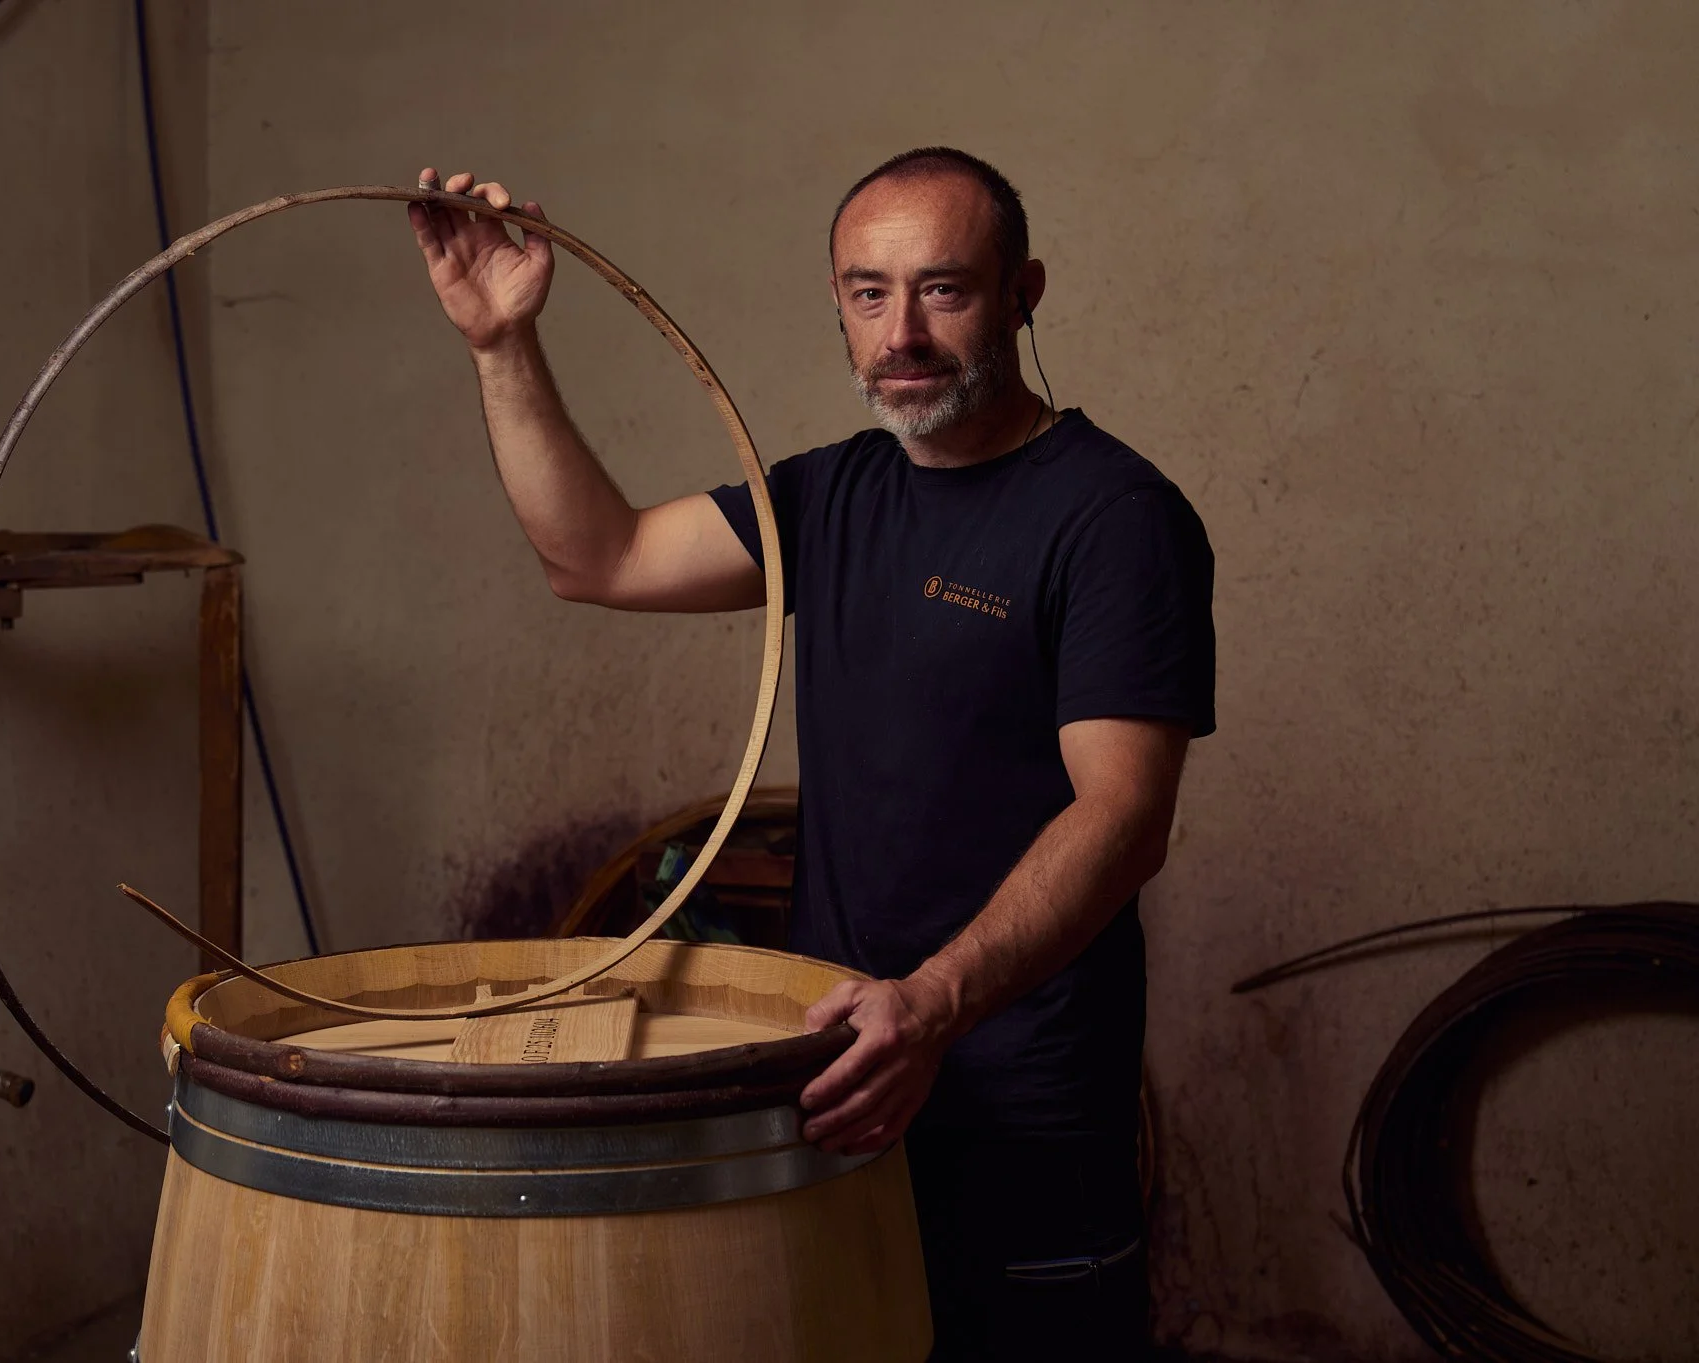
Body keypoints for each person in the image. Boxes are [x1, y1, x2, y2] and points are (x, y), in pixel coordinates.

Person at [408, 147, 1215, 1362]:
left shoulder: (1112, 519)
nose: (901, 334)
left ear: (1021, 293)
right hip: (837, 1081)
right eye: (867, 292)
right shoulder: (831, 496)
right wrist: (499, 345)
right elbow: (596, 557)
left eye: (942, 290)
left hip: (1021, 1113)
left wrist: (930, 1005)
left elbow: (1124, 815)